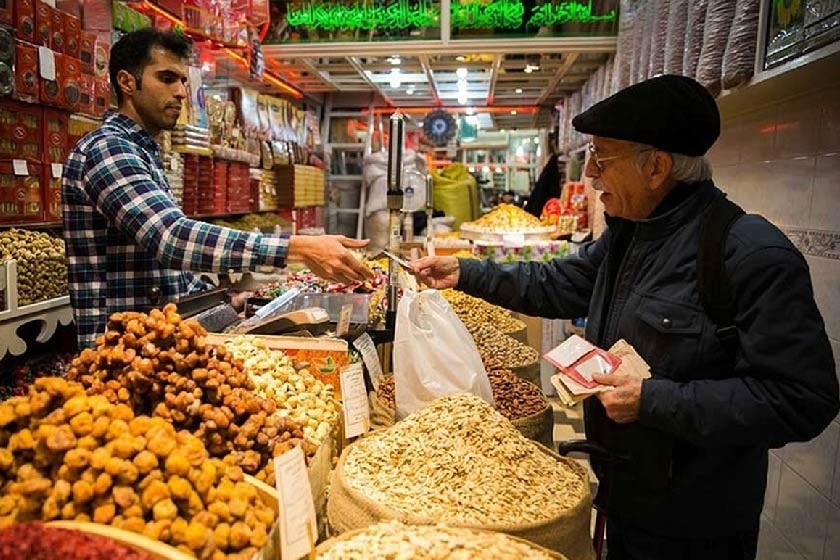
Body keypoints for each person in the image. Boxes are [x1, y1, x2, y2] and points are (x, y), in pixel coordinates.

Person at [412, 75, 839, 559]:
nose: (590, 173)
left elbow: (804, 399)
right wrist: (466, 272)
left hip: (696, 528)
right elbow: (556, 284)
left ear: (655, 167)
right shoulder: (630, 238)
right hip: (626, 497)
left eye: (601, 157)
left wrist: (653, 400)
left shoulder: (747, 254)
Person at [62, 29, 372, 349]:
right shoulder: (108, 149)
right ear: (127, 83)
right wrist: (298, 248)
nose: (181, 91)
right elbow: (172, 238)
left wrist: (226, 301)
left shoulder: (142, 152)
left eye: (183, 80)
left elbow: (164, 267)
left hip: (152, 346)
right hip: (117, 355)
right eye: (166, 78)